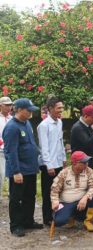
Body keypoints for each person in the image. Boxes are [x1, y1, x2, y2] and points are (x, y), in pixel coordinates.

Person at [4, 98, 43, 237]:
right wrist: (16, 171)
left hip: (31, 168)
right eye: (28, 110)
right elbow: (10, 152)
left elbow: (31, 144)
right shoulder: (12, 127)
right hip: (19, 170)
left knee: (29, 196)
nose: (31, 113)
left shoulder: (26, 123)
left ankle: (28, 221)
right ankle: (16, 226)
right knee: (16, 199)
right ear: (19, 110)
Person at [50, 151, 93, 232]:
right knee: (59, 221)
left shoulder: (89, 171)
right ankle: (71, 217)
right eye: (84, 162)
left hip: (82, 201)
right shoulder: (64, 172)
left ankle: (88, 221)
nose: (86, 164)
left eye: (87, 162)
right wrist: (55, 201)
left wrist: (85, 198)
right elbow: (54, 189)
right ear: (74, 163)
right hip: (66, 202)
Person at [37, 97, 66, 226]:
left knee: (58, 190)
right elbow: (44, 147)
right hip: (48, 164)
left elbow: (60, 141)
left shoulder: (59, 122)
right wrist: (49, 165)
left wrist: (64, 158)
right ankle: (47, 218)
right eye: (58, 108)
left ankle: (57, 215)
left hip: (59, 162)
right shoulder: (43, 125)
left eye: (62, 108)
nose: (61, 110)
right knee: (48, 191)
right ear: (50, 109)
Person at [0, 96, 12, 202]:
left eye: (10, 105)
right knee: (1, 174)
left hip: (11, 150)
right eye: (6, 105)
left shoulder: (12, 119)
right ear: (1, 106)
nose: (9, 107)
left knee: (12, 173)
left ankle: (11, 193)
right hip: (1, 151)